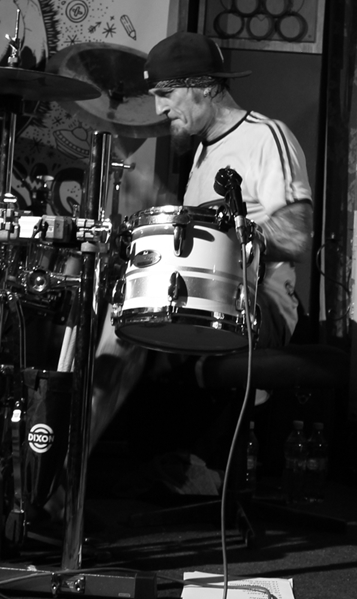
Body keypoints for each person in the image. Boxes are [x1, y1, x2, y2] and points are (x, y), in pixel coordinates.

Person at [87, 31, 312, 447]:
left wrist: (224, 235)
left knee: (125, 327)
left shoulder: (265, 136)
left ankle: (73, 467)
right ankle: (76, 455)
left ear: (205, 86)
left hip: (257, 306)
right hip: (203, 297)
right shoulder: (203, 154)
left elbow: (297, 236)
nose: (159, 108)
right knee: (108, 298)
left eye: (166, 93)